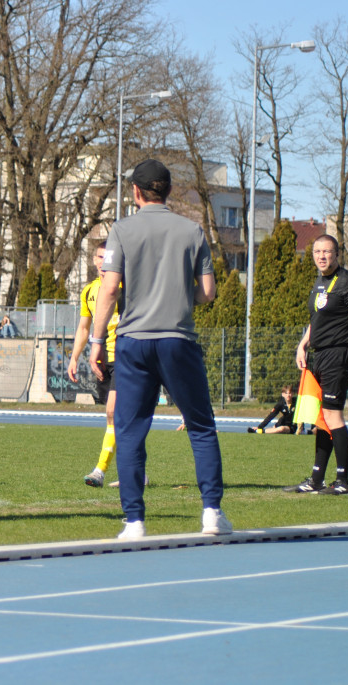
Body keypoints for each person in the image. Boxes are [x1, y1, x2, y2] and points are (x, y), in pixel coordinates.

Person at [87, 158, 230, 539]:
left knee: (131, 430)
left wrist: (97, 342)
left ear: (135, 192)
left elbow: (110, 288)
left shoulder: (121, 230)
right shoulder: (192, 230)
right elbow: (208, 293)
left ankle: (134, 521)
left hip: (133, 341)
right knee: (200, 426)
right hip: (178, 339)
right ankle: (212, 514)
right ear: (167, 190)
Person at [284, 234, 348, 495]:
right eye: (317, 251)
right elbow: (316, 320)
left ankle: (343, 482)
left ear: (336, 254)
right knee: (320, 419)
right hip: (316, 358)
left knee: (333, 416)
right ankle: (316, 480)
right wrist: (303, 344)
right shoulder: (319, 282)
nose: (321, 256)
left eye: (327, 252)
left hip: (337, 356)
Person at [68, 242, 124, 488]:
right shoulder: (89, 290)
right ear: (94, 260)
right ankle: (136, 472)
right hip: (102, 361)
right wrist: (74, 356)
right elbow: (83, 327)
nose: (104, 262)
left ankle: (100, 471)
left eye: (108, 257)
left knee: (113, 412)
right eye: (100, 257)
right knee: (118, 419)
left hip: (125, 355)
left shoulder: (123, 286)